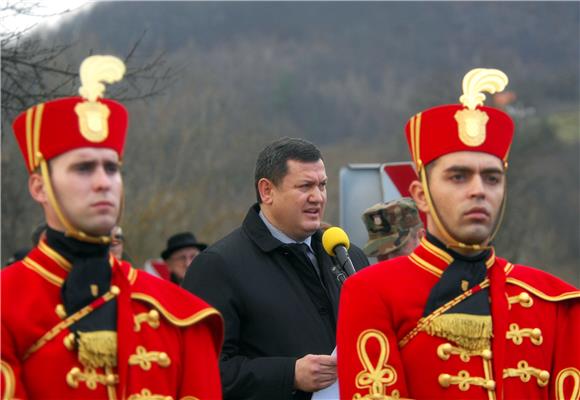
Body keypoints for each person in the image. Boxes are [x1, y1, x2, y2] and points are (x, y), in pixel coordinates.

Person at [337, 68, 579, 400]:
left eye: (492, 178)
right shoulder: (372, 292)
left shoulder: (556, 302)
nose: (478, 191)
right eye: (458, 177)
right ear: (420, 195)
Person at [1, 54, 223, 399]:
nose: (104, 182)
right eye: (84, 168)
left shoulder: (181, 315)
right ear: (39, 187)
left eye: (112, 167)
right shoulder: (6, 302)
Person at [182, 137, 369, 400]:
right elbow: (200, 371)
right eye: (305, 186)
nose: (318, 197)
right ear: (267, 191)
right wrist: (290, 374)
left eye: (322, 185)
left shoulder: (347, 255)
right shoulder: (218, 266)